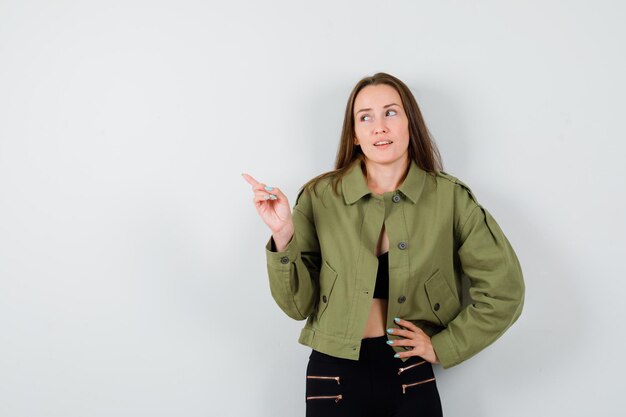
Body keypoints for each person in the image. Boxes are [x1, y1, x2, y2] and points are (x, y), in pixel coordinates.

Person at [242, 72, 525, 417]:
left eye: (390, 112)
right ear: (355, 135)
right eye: (366, 117)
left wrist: (443, 347)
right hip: (332, 376)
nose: (379, 127)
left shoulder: (450, 198)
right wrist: (283, 235)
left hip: (409, 372)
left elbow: (504, 290)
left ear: (410, 123)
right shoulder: (320, 197)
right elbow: (296, 307)